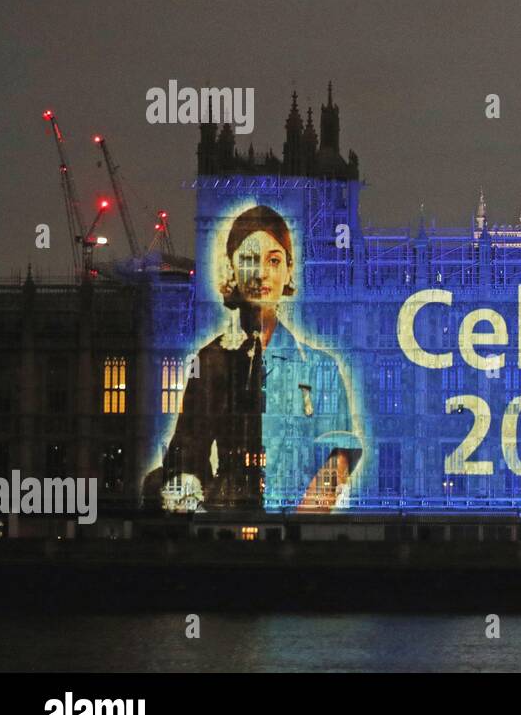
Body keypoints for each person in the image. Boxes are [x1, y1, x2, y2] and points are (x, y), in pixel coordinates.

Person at [144, 205, 362, 512]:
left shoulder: (321, 367)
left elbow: (337, 458)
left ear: (288, 268)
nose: (261, 273)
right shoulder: (209, 361)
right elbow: (187, 452)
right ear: (230, 268)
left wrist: (298, 522)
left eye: (273, 260)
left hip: (295, 516)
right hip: (228, 511)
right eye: (248, 259)